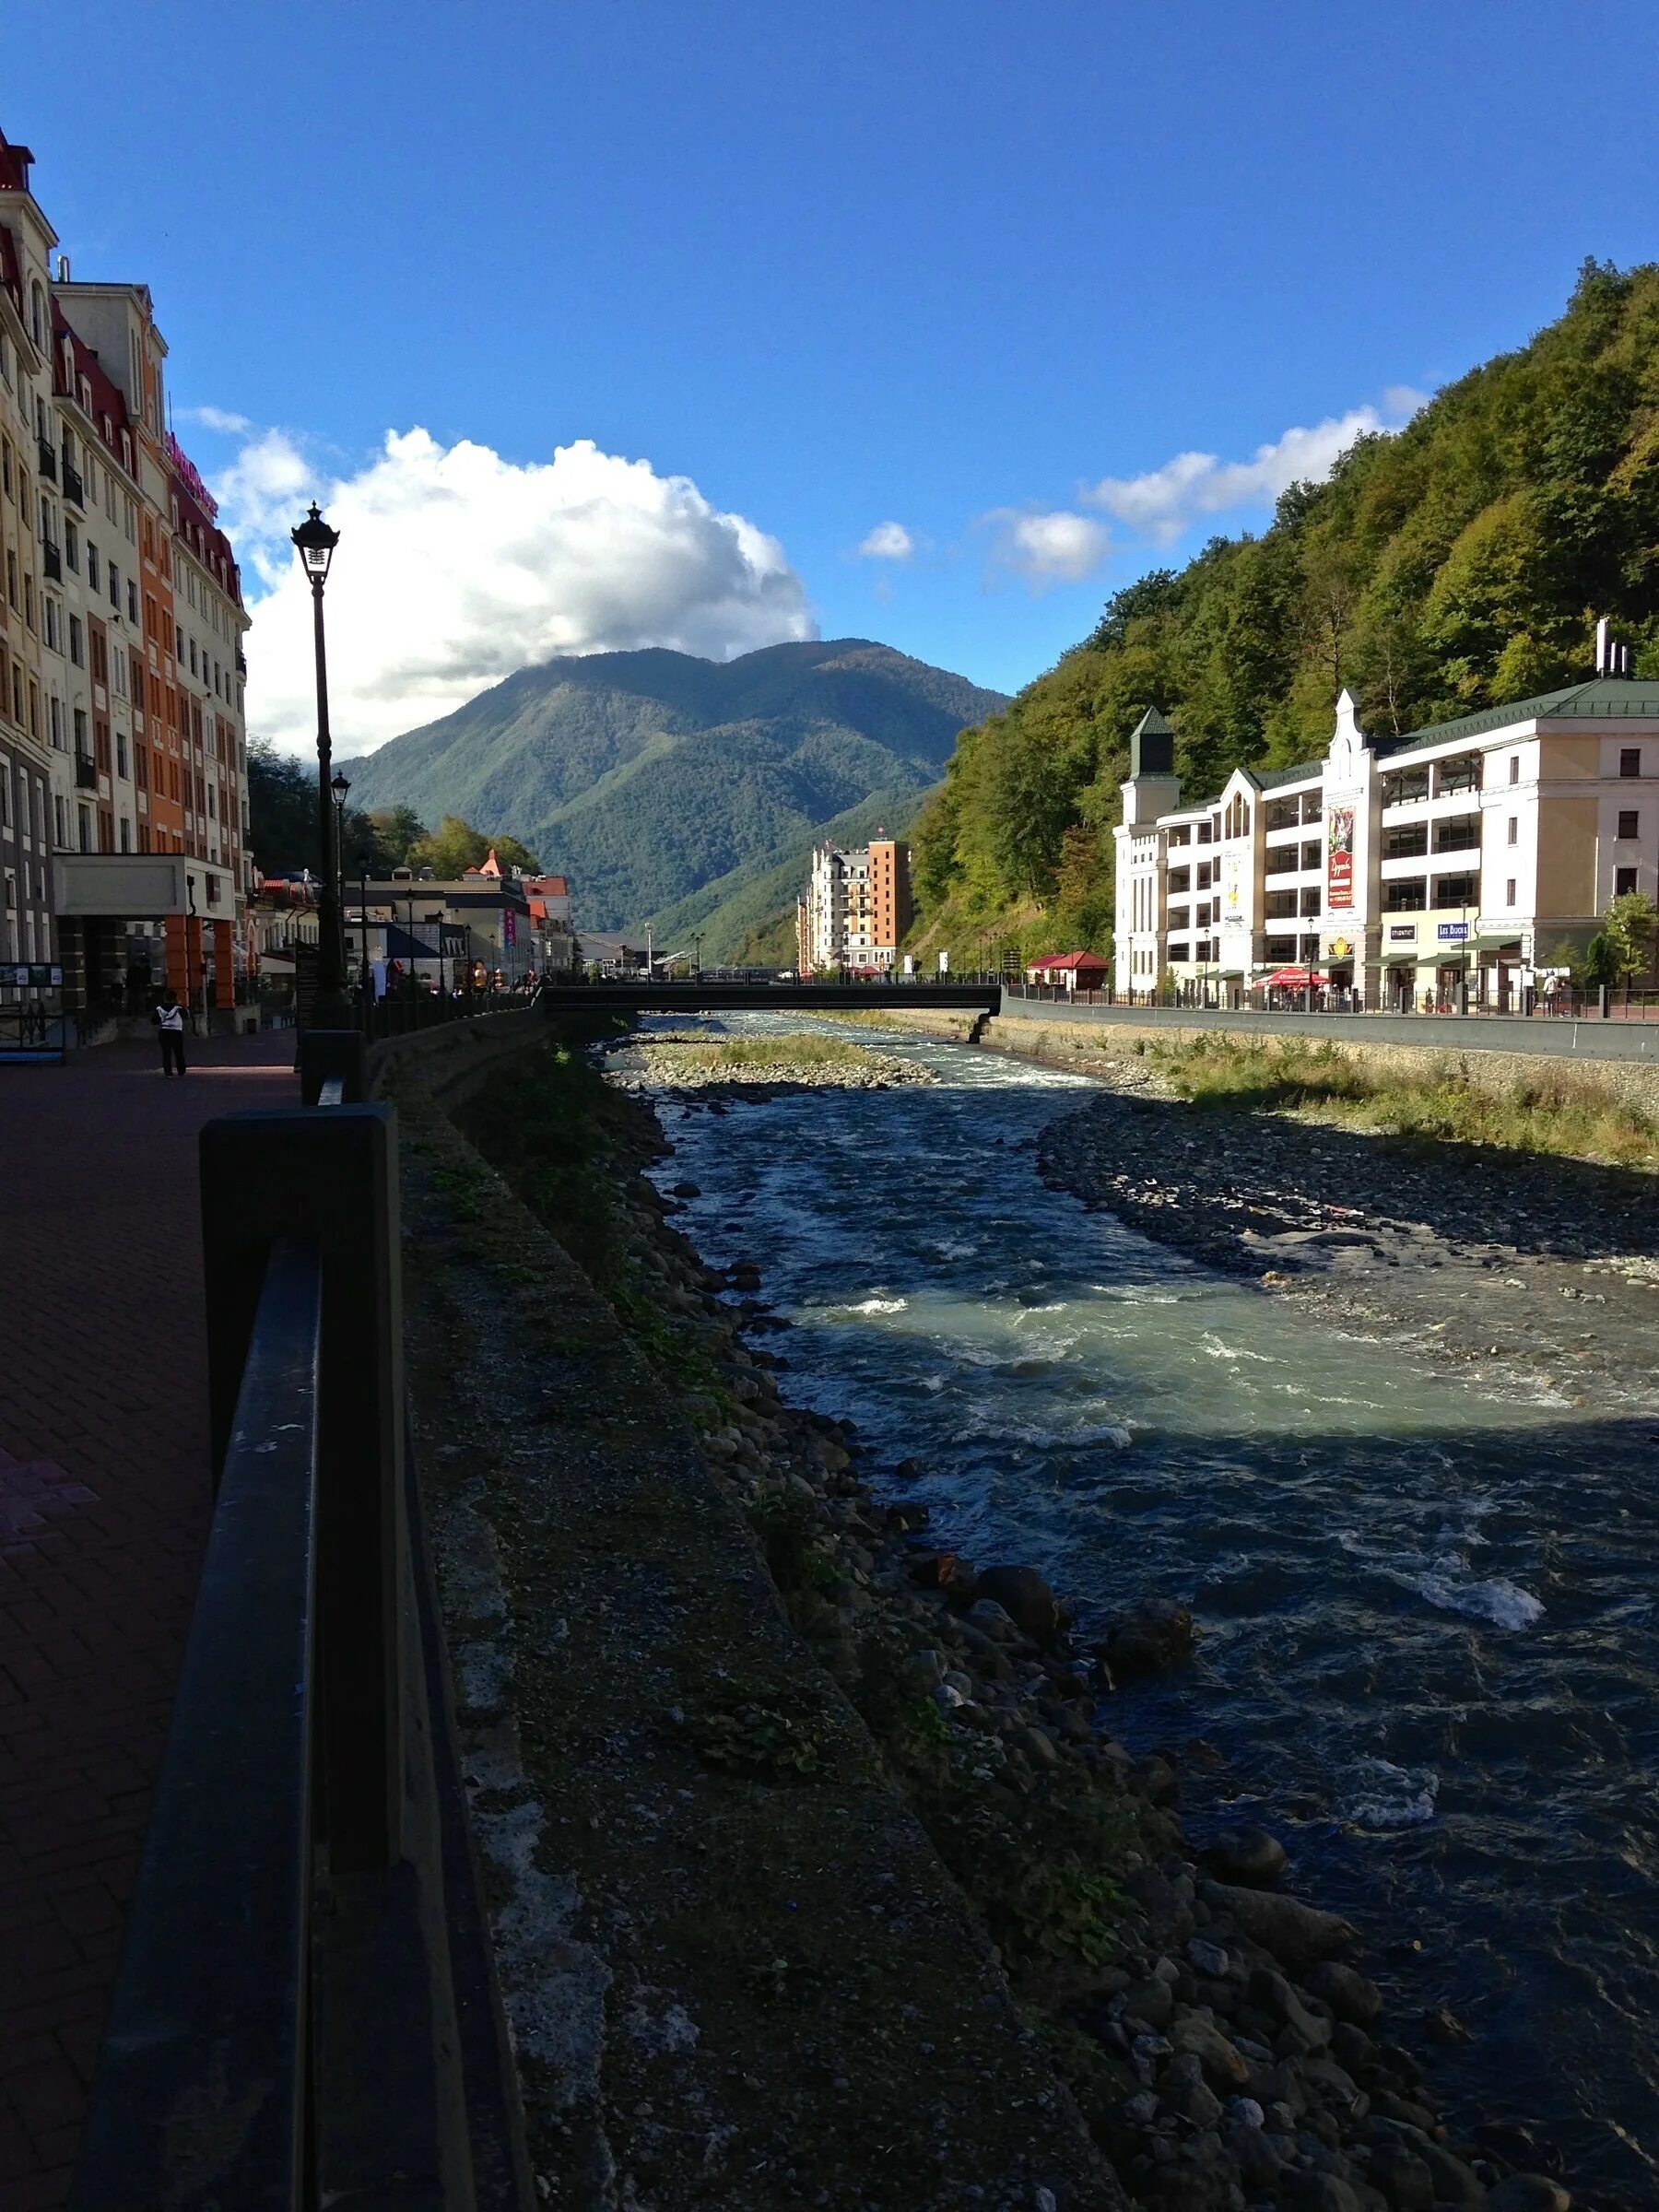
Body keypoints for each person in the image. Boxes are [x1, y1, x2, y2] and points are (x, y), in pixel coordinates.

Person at [153, 989, 187, 1076]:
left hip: (164, 1031)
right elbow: (186, 1016)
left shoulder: (159, 1008)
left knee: (166, 1053)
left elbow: (154, 1021)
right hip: (176, 1032)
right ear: (175, 998)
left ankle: (168, 1072)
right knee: (179, 1052)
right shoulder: (179, 1008)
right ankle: (181, 1071)